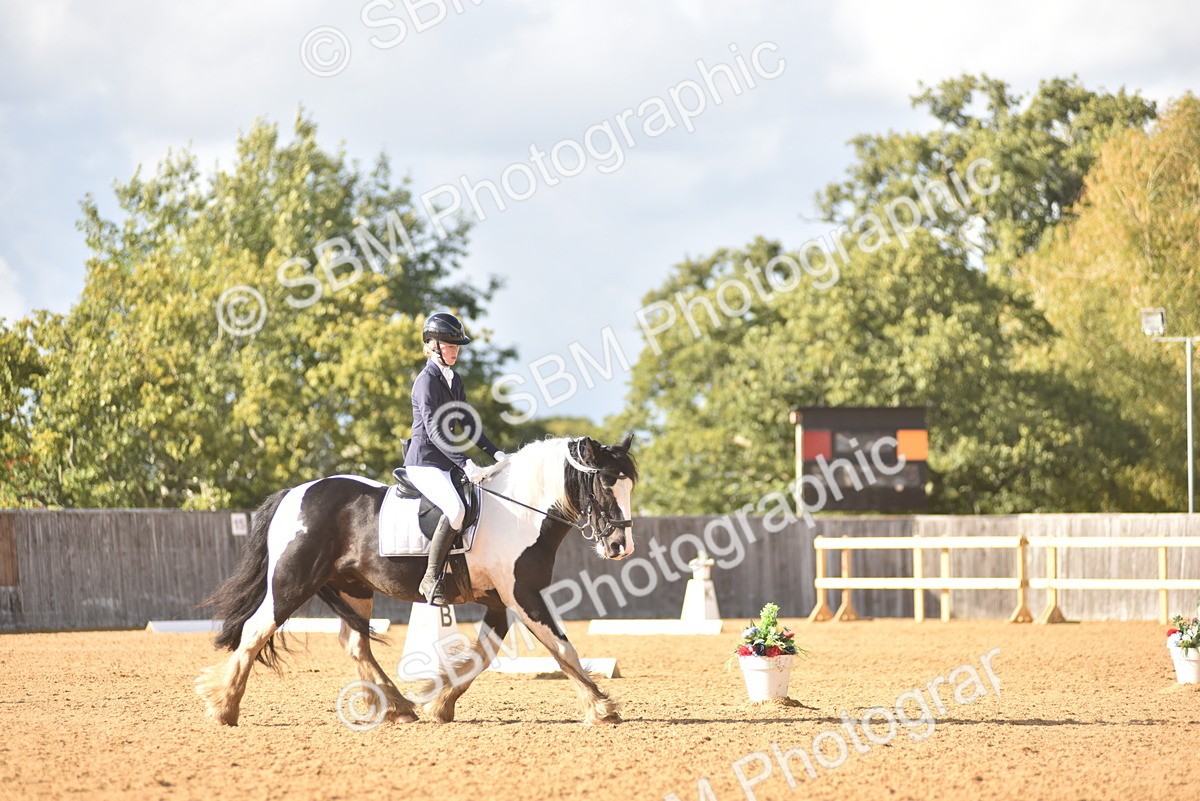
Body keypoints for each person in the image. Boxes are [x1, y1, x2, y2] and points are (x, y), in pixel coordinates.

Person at [405, 312, 507, 606]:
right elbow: (435, 429)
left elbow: (466, 422)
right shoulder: (426, 381)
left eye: (457, 346)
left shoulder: (453, 379)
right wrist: (466, 463)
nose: (455, 351)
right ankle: (430, 577)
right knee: (455, 509)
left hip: (446, 462)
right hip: (424, 461)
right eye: (450, 346)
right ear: (433, 345)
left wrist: (496, 453)